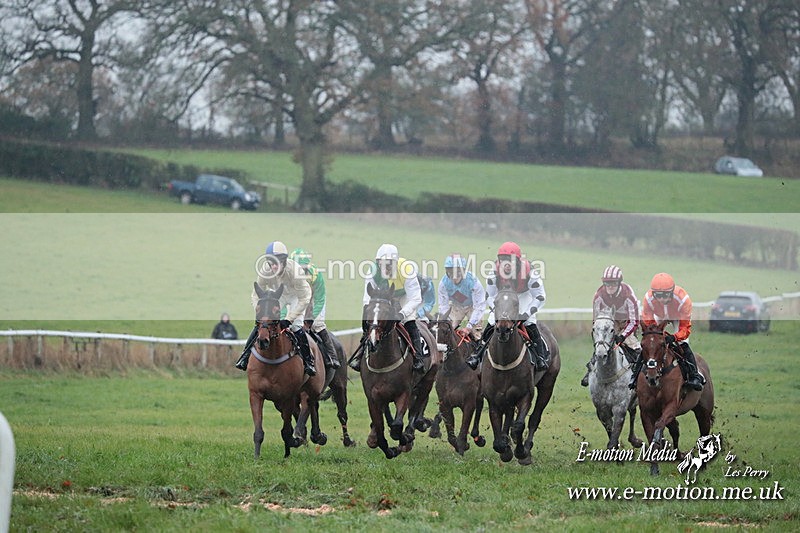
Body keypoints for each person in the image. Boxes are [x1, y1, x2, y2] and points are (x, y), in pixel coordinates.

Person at [234, 241, 317, 376]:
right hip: (279, 294)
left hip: (298, 295)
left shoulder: (295, 271)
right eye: (271, 263)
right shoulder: (265, 271)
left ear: (284, 261)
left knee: (296, 326)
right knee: (263, 324)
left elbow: (304, 298)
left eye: (276, 263)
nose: (273, 266)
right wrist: (260, 313)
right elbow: (256, 294)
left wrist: (289, 319)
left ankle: (309, 362)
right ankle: (245, 356)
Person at [466, 242, 548, 371]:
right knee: (492, 322)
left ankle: (540, 357)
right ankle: (477, 355)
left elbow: (540, 296)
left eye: (510, 260)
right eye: (503, 260)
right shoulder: (494, 272)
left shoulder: (530, 272)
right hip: (502, 297)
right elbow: (490, 296)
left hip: (523, 297)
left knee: (529, 323)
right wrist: (498, 311)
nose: (507, 264)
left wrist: (526, 314)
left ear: (517, 261)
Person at [349, 243, 425, 373]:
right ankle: (360, 355)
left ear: (395, 263)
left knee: (409, 322)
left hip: (405, 297)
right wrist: (368, 314)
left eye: (388, 264)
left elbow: (416, 298)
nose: (385, 267)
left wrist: (402, 314)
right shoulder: (372, 271)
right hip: (384, 298)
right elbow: (367, 298)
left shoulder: (407, 269)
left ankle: (418, 358)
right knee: (371, 322)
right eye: (381, 263)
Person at [631, 272, 704, 391]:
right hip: (659, 316)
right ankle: (635, 375)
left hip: (678, 317)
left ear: (672, 292)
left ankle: (694, 375)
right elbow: (649, 324)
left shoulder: (683, 299)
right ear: (653, 293)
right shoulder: (648, 299)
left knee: (682, 344)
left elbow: (685, 329)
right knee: (651, 344)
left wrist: (674, 338)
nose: (662, 299)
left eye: (665, 295)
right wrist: (659, 336)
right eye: (658, 295)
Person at [580, 265, 641, 387]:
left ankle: (639, 376)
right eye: (607, 283)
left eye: (613, 283)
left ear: (619, 283)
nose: (610, 286)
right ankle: (590, 369)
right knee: (602, 345)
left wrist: (622, 336)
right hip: (608, 323)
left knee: (636, 348)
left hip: (626, 323)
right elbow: (596, 321)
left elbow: (634, 322)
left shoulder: (628, 295)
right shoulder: (599, 295)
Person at [288, 247, 341, 371]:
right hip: (296, 300)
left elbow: (319, 299)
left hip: (315, 300)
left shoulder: (315, 274)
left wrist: (310, 318)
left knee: (318, 324)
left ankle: (332, 356)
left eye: (303, 267)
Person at [437, 253, 486, 341]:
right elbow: (443, 306)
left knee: (476, 331)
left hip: (473, 307)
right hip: (456, 306)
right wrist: (446, 320)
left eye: (458, 272)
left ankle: (479, 347)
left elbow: (479, 306)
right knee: (446, 328)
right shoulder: (443, 283)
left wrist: (469, 327)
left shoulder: (473, 281)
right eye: (451, 273)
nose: (455, 277)